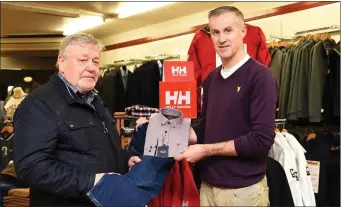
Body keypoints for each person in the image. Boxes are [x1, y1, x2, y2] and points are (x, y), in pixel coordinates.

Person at [12, 33, 141, 206]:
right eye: (83, 60)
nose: (91, 67)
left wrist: (125, 160)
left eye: (95, 61)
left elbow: (95, 151)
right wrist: (91, 181)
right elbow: (31, 167)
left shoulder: (95, 100)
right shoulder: (38, 104)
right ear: (62, 63)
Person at [175, 6, 278, 206]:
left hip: (243, 192)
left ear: (243, 32)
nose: (221, 39)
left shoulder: (260, 77)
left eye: (228, 30)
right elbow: (207, 128)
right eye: (215, 32)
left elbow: (261, 140)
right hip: (207, 188)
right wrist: (179, 132)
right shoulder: (211, 79)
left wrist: (205, 151)